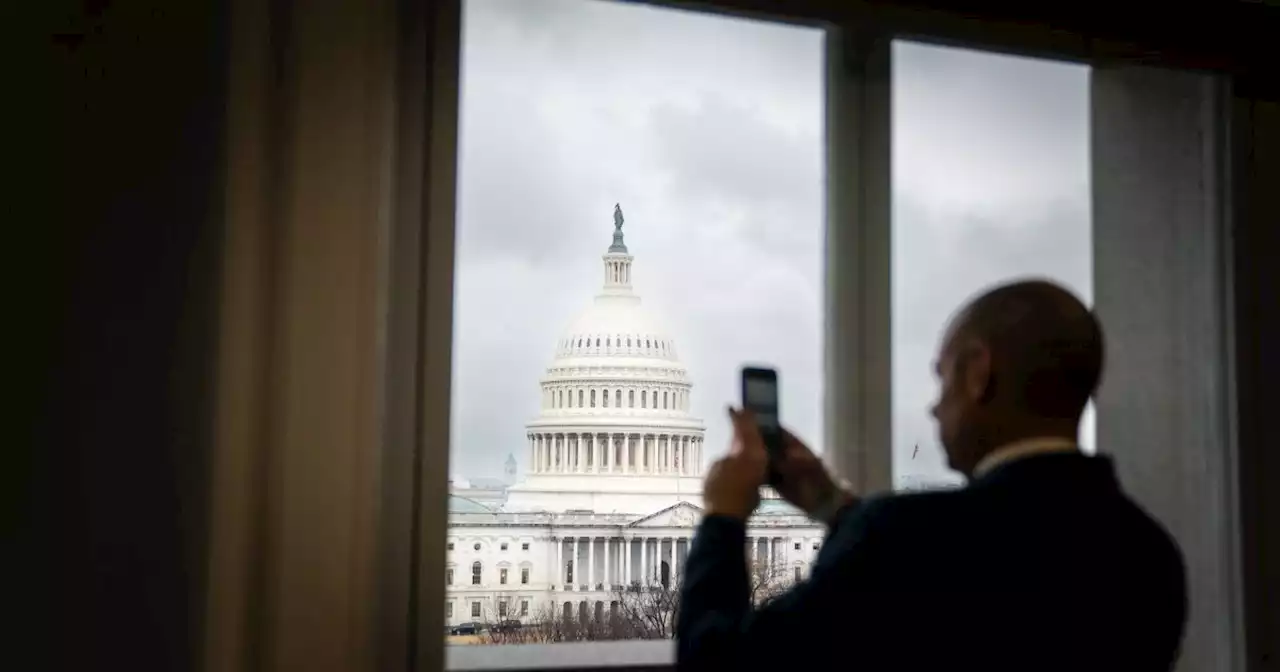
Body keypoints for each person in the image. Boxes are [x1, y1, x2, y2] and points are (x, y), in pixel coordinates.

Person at [677, 279, 1187, 672]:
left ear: (976, 373)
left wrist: (723, 519)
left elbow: (715, 661)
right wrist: (831, 505)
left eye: (940, 376)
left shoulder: (900, 540)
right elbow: (979, 560)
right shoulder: (1151, 553)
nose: (934, 406)